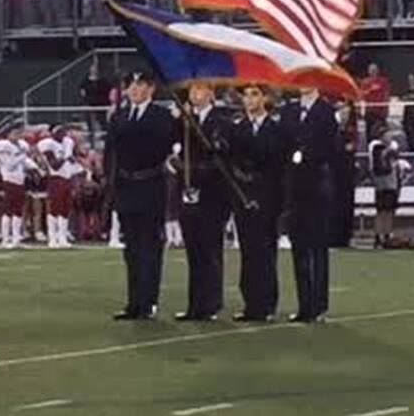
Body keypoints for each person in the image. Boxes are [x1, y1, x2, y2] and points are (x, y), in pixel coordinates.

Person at [106, 71, 176, 320]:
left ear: (151, 89)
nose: (135, 90)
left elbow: (162, 146)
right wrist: (110, 184)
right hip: (126, 186)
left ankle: (149, 301)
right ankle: (134, 301)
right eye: (131, 85)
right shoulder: (119, 116)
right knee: (131, 248)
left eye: (140, 85)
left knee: (150, 246)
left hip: (150, 184)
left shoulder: (161, 116)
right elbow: (110, 154)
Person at [176, 81, 234, 321]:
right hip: (188, 193)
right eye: (192, 91)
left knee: (210, 249)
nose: (195, 95)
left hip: (212, 194)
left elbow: (220, 157)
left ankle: (211, 302)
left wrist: (197, 173)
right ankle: (195, 304)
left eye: (200, 90)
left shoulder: (221, 121)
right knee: (194, 250)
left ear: (211, 93)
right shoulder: (186, 122)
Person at [229, 83, 286, 322]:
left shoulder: (276, 129)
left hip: (267, 195)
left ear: (265, 98)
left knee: (265, 250)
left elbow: (279, 166)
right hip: (243, 196)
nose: (250, 99)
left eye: (255, 94)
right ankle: (251, 303)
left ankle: (267, 303)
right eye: (246, 95)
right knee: (248, 250)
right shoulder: (237, 128)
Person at [282, 87, 339, 323]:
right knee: (299, 247)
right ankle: (304, 304)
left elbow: (330, 148)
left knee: (317, 247)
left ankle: (318, 304)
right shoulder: (290, 111)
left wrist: (305, 152)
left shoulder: (326, 112)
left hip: (317, 185)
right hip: (294, 188)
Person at [40, 126, 82, 249]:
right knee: (54, 208)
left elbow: (73, 159)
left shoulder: (68, 142)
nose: (63, 134)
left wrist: (76, 166)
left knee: (65, 209)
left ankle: (62, 237)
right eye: (60, 132)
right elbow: (54, 166)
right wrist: (65, 157)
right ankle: (52, 238)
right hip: (56, 178)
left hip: (67, 177)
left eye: (64, 131)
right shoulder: (48, 144)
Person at [0, 129, 32, 249]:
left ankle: (16, 238)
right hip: (9, 179)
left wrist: (34, 167)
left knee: (18, 210)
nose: (17, 136)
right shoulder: (3, 145)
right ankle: (5, 239)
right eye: (14, 133)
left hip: (20, 180)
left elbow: (25, 162)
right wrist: (22, 156)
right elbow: (9, 165)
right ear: (8, 134)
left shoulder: (21, 145)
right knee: (8, 210)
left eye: (18, 133)